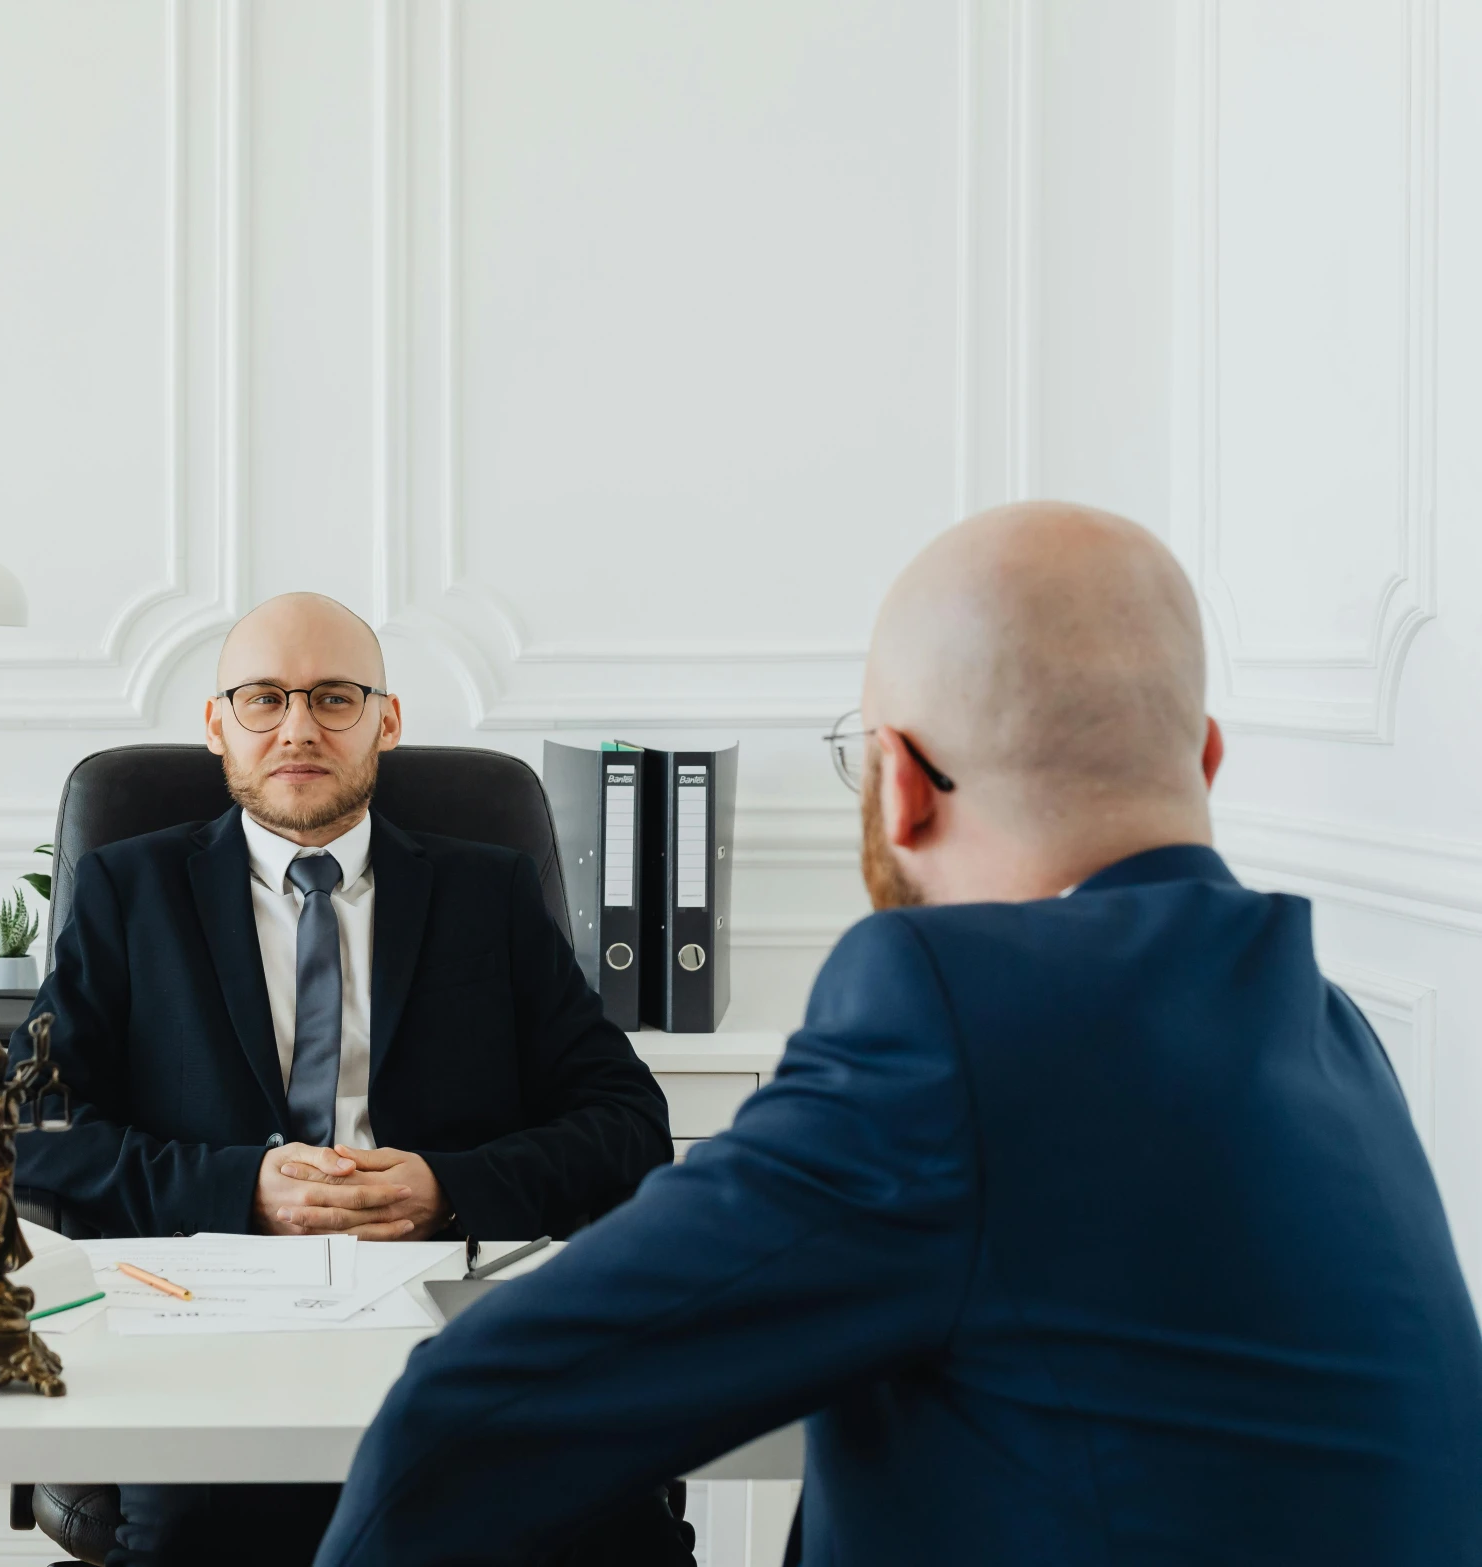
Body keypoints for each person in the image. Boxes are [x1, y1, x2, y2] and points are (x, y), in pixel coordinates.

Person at [313, 503, 1482, 1567]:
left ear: (899, 784)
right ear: (1205, 758)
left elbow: (456, 1424)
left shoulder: (959, 1012)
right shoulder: (1330, 1032)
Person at [12, 593, 682, 1567]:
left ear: (387, 720)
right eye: (262, 699)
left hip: (448, 1320)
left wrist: (449, 1185)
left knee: (622, 1533)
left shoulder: (485, 892)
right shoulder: (131, 892)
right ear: (215, 725)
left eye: (334, 697)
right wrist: (242, 1184)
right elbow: (37, 1127)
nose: (297, 727)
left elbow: (628, 1122)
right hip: (217, 1331)